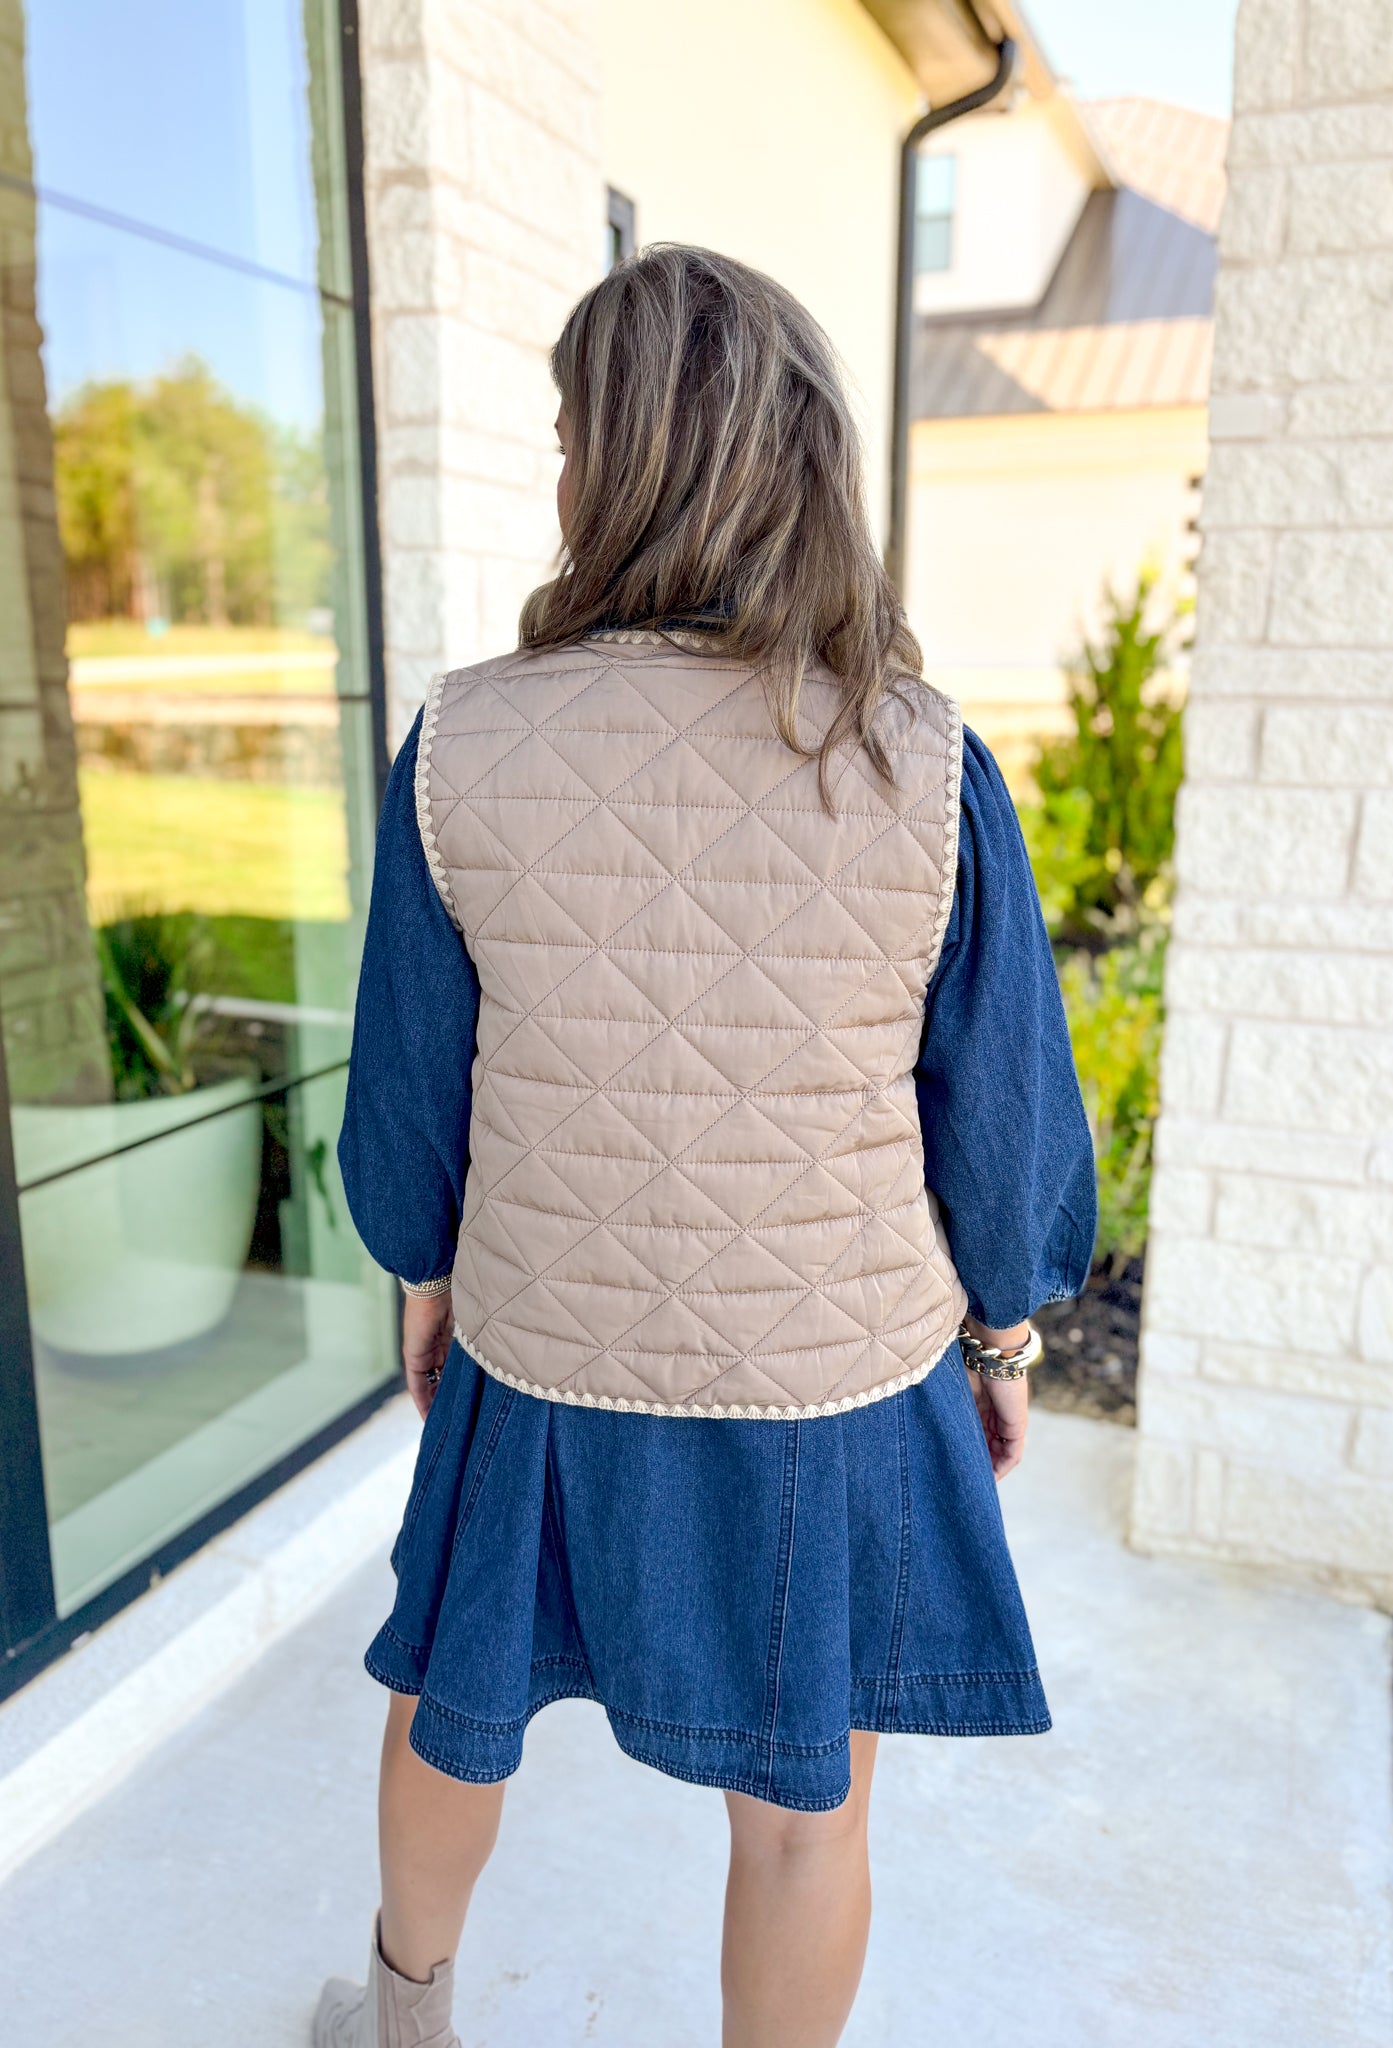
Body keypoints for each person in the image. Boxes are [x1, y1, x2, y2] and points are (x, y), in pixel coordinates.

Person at [317, 244, 1095, 2048]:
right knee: (805, 1807)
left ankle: (403, 2018)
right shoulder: (921, 757)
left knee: (455, 1699)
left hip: (544, 1339)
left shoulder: (462, 745)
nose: (563, 468)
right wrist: (1003, 1335)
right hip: (829, 1370)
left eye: (572, 429)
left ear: (619, 462)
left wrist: (426, 1284)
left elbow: (414, 1090)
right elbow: (997, 1112)